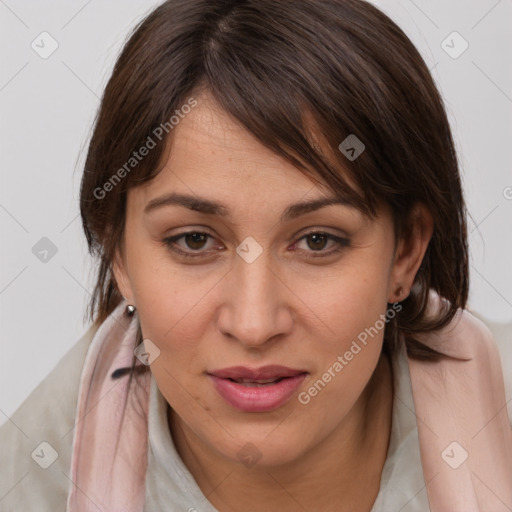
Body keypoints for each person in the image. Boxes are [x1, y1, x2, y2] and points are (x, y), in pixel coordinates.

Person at [1, 0, 511, 510]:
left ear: (405, 253)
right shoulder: (33, 476)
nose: (253, 324)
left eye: (317, 241)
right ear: (119, 255)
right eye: (194, 240)